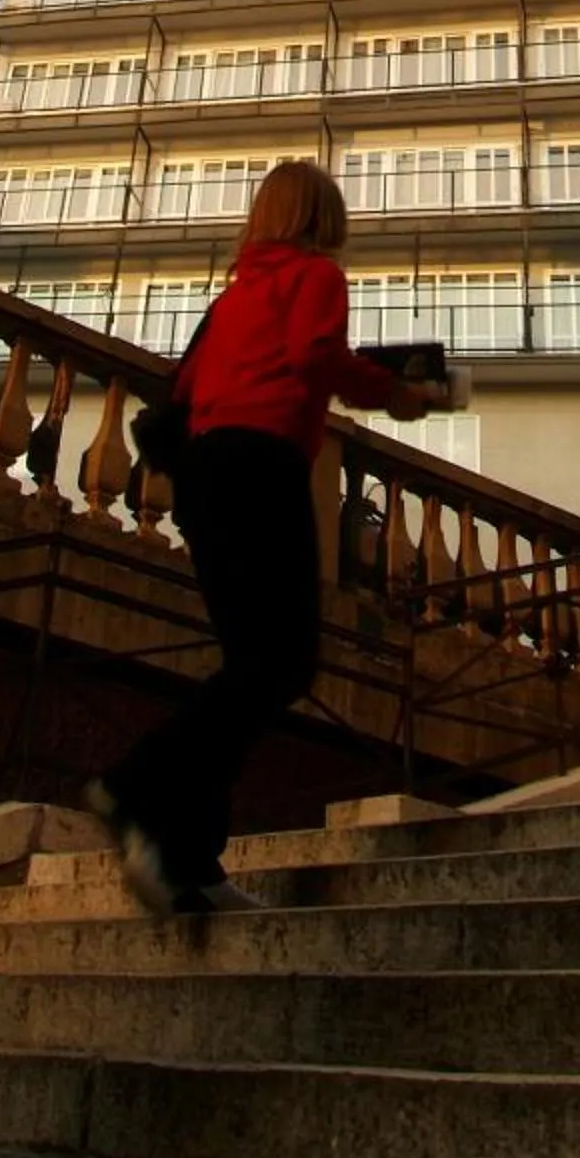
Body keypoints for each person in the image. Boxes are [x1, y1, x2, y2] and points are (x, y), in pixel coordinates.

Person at [89, 159, 448, 917]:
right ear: (324, 218)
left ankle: (190, 857)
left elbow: (183, 394)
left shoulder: (234, 299)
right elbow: (315, 357)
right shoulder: (316, 278)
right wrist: (397, 394)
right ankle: (134, 785)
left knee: (248, 665)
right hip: (263, 469)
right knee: (281, 664)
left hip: (204, 477)